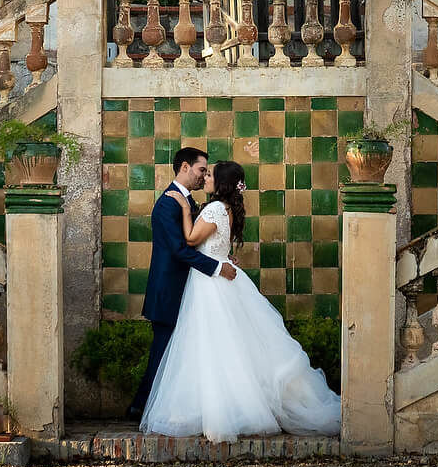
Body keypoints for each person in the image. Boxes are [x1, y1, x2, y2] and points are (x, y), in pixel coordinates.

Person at [139, 159, 342, 441]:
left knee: (213, 347)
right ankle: (229, 406)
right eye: (204, 172)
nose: (206, 177)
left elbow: (189, 239)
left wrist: (186, 209)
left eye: (210, 175)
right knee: (227, 346)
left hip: (211, 285)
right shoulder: (226, 209)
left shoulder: (213, 208)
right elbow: (215, 244)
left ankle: (222, 410)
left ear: (220, 182)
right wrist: (221, 258)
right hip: (217, 278)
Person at [127, 146, 234, 421]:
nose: (203, 176)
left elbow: (198, 242)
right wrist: (216, 267)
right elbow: (179, 250)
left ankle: (163, 407)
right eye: (201, 170)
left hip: (189, 294)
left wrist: (219, 254)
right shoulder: (167, 204)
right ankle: (141, 408)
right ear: (184, 167)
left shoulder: (189, 202)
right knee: (162, 356)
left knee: (180, 355)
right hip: (169, 293)